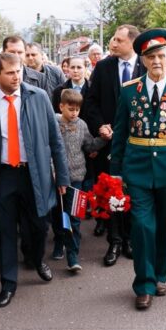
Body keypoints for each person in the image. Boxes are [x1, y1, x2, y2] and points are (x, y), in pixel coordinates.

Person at [110, 30, 166, 310]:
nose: (157, 62)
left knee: (164, 226)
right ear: (143, 60)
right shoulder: (129, 91)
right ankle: (144, 284)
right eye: (151, 57)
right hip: (137, 168)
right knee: (141, 226)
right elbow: (120, 132)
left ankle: (161, 273)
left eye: (161, 56)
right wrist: (116, 170)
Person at [0, 52, 69, 308]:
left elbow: (55, 140)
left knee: (38, 227)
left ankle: (37, 259)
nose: (17, 77)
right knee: (5, 231)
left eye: (19, 71)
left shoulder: (39, 97)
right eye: (10, 73)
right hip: (4, 176)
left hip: (35, 173)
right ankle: (8, 283)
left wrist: (62, 175)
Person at [82, 24, 143, 265]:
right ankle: (115, 241)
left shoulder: (145, 65)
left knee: (134, 192)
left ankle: (130, 239)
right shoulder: (103, 67)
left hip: (138, 144)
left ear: (132, 43)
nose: (113, 43)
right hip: (110, 144)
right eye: (113, 39)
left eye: (119, 40)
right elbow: (90, 102)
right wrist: (100, 126)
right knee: (113, 193)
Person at [51, 89, 105, 271]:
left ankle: (73, 255)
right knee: (58, 215)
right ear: (61, 106)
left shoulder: (81, 125)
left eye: (77, 110)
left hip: (76, 178)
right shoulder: (54, 122)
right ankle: (59, 242)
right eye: (70, 109)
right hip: (56, 178)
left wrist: (103, 139)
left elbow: (89, 146)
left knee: (74, 216)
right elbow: (48, 148)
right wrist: (53, 171)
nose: (74, 113)